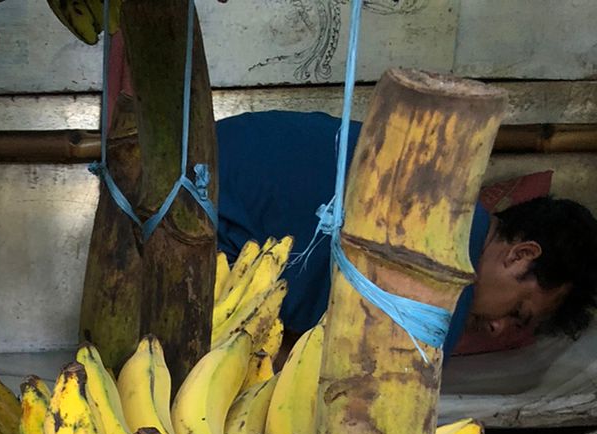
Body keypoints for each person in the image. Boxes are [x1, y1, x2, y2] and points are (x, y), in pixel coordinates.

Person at [215, 110, 597, 354]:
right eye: (518, 312)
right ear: (521, 255)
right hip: (196, 226)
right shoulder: (437, 303)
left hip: (204, 152)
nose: (497, 329)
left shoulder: (437, 178)